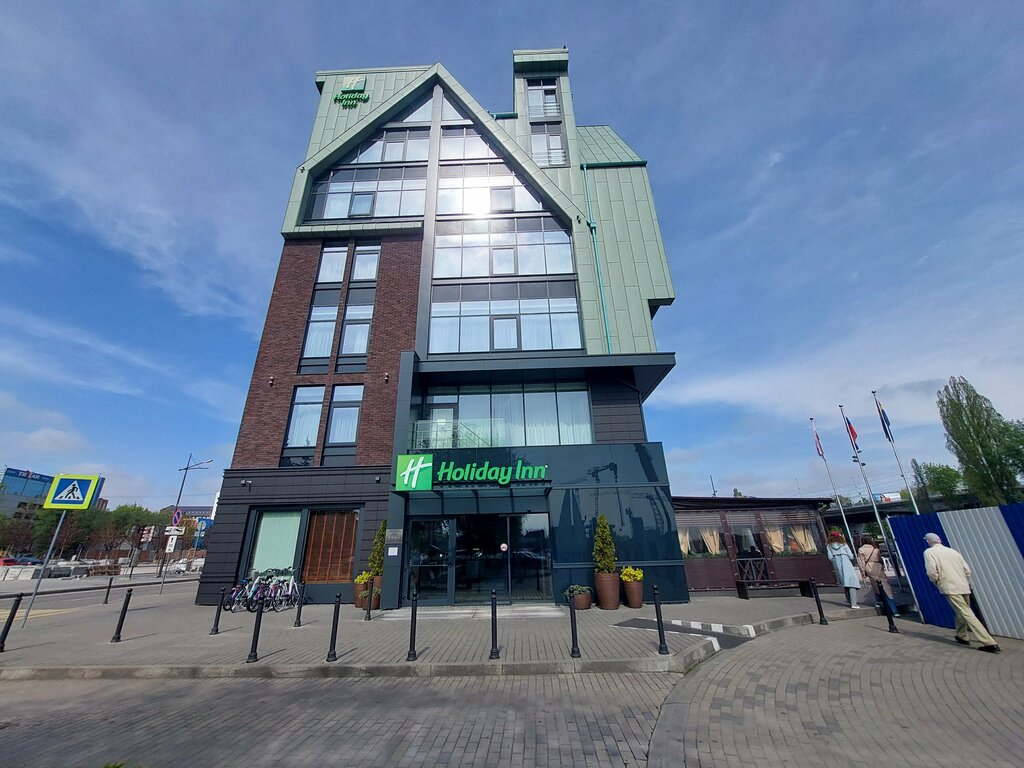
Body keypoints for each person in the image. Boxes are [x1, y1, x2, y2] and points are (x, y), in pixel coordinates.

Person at [923, 532, 1000, 653]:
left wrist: (937, 582)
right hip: (963, 585)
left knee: (965, 612)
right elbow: (967, 570)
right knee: (962, 610)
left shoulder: (929, 552)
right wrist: (965, 581)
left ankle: (989, 642)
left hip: (949, 586)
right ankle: (961, 635)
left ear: (928, 541)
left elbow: (931, 572)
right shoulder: (953, 552)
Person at [858, 536, 898, 616]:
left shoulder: (861, 550)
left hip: (869, 566)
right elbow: (880, 559)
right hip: (878, 565)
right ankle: (894, 609)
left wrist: (863, 573)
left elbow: (861, 562)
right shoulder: (875, 549)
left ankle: (878, 601)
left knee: (875, 585)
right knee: (886, 586)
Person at [826, 531, 861, 608]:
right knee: (852, 583)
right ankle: (854, 603)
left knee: (845, 583)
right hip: (847, 564)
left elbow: (830, 557)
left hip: (837, 566)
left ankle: (849, 600)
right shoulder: (844, 545)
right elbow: (851, 556)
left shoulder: (829, 546)